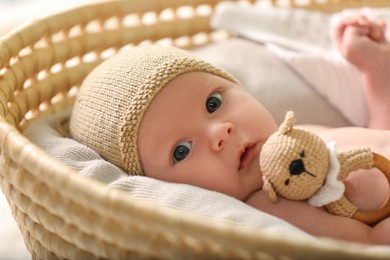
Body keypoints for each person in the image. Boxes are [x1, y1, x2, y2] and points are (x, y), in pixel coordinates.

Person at [69, 15, 390, 245]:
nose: (220, 133)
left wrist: (374, 71)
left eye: (212, 104)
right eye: (182, 150)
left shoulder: (301, 132)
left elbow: (377, 135)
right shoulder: (271, 207)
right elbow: (370, 242)